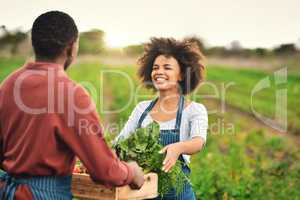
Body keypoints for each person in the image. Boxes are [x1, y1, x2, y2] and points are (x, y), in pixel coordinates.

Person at [0, 11, 144, 199]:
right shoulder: (71, 94)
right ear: (71, 48)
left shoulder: (9, 84)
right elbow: (104, 169)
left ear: (35, 44)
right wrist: (131, 171)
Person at [115, 37, 208, 199]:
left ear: (181, 75)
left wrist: (178, 147)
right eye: (155, 67)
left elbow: (198, 142)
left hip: (179, 196)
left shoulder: (194, 110)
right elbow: (120, 142)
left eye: (167, 67)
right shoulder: (142, 109)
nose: (159, 72)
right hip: (143, 194)